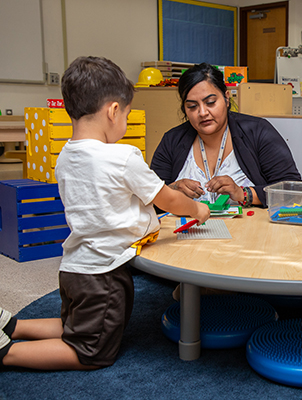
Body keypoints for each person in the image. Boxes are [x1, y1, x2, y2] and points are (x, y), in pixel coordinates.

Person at [0, 56, 210, 370]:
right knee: (90, 351)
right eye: (126, 115)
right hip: (104, 274)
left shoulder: (66, 156)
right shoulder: (122, 156)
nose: (124, 124)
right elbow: (167, 199)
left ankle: (12, 326)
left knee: (76, 326)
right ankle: (6, 352)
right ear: (113, 111)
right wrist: (197, 209)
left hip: (74, 267)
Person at [150, 63, 302, 208]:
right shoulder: (172, 141)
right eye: (192, 106)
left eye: (210, 102)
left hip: (250, 232)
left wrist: (243, 194)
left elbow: (292, 191)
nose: (202, 113)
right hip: (188, 231)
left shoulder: (258, 131)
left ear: (226, 98)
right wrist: (171, 191)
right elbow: (148, 198)